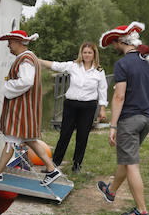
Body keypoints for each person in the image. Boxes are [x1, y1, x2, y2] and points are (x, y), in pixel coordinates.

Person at [95, 23, 149, 215]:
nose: (113, 48)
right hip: (147, 119)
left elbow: (119, 97)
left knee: (132, 164)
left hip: (129, 120)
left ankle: (142, 211)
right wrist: (144, 91)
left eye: (114, 44)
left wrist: (112, 126)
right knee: (127, 159)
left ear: (121, 42)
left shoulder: (123, 64)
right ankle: (110, 191)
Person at [0, 29, 62, 186]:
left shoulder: (25, 59)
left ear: (18, 42)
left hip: (21, 109)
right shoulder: (29, 58)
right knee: (30, 140)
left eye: (10, 42)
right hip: (27, 108)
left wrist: (7, 86)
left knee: (10, 139)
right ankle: (52, 169)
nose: (8, 45)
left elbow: (26, 81)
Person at [38, 42, 108, 174]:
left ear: (94, 55)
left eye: (89, 52)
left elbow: (102, 90)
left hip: (88, 106)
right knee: (65, 134)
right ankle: (54, 163)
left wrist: (102, 109)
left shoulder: (99, 71)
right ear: (81, 53)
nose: (87, 55)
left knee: (82, 136)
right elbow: (56, 65)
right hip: (71, 105)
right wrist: (38, 60)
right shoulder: (73, 66)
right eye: (84, 52)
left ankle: (77, 165)